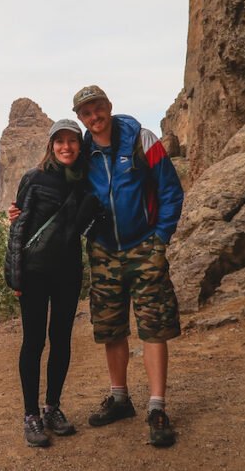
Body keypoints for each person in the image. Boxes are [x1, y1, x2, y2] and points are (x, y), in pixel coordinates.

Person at [72, 85, 184, 448]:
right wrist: (22, 209)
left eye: (98, 108)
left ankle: (157, 407)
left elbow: (170, 189)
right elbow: (55, 186)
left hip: (143, 246)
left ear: (109, 106)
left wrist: (161, 238)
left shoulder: (139, 138)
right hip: (104, 251)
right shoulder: (82, 151)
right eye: (86, 113)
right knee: (111, 328)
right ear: (80, 118)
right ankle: (120, 398)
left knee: (154, 326)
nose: (94, 116)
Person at [4, 119, 98, 448]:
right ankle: (31, 415)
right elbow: (19, 228)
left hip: (68, 273)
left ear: (79, 145)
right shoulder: (34, 179)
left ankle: (52, 408)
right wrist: (15, 276)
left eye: (72, 141)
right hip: (33, 273)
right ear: (51, 145)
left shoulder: (87, 183)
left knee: (61, 341)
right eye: (60, 141)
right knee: (33, 342)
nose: (66, 147)